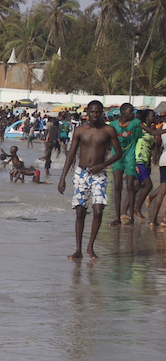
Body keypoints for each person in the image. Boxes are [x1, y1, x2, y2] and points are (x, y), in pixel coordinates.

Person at [57, 100, 122, 260]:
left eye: (98, 112)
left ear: (102, 113)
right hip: (81, 173)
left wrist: (103, 165)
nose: (95, 115)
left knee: (98, 210)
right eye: (92, 112)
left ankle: (90, 247)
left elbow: (118, 153)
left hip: (99, 174)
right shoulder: (80, 130)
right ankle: (78, 249)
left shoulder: (109, 130)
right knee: (80, 212)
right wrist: (62, 178)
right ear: (87, 112)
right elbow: (71, 154)